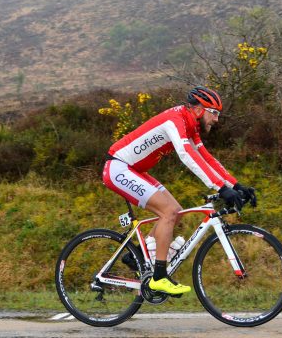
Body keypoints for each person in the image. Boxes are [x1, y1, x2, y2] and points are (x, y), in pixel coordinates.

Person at [102, 86, 256, 295]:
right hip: (119, 168)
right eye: (214, 113)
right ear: (200, 109)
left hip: (134, 170)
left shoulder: (190, 125)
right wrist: (219, 187)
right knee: (169, 212)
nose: (217, 119)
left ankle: (136, 255)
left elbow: (206, 158)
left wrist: (235, 186)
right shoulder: (175, 120)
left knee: (177, 212)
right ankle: (159, 277)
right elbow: (187, 155)